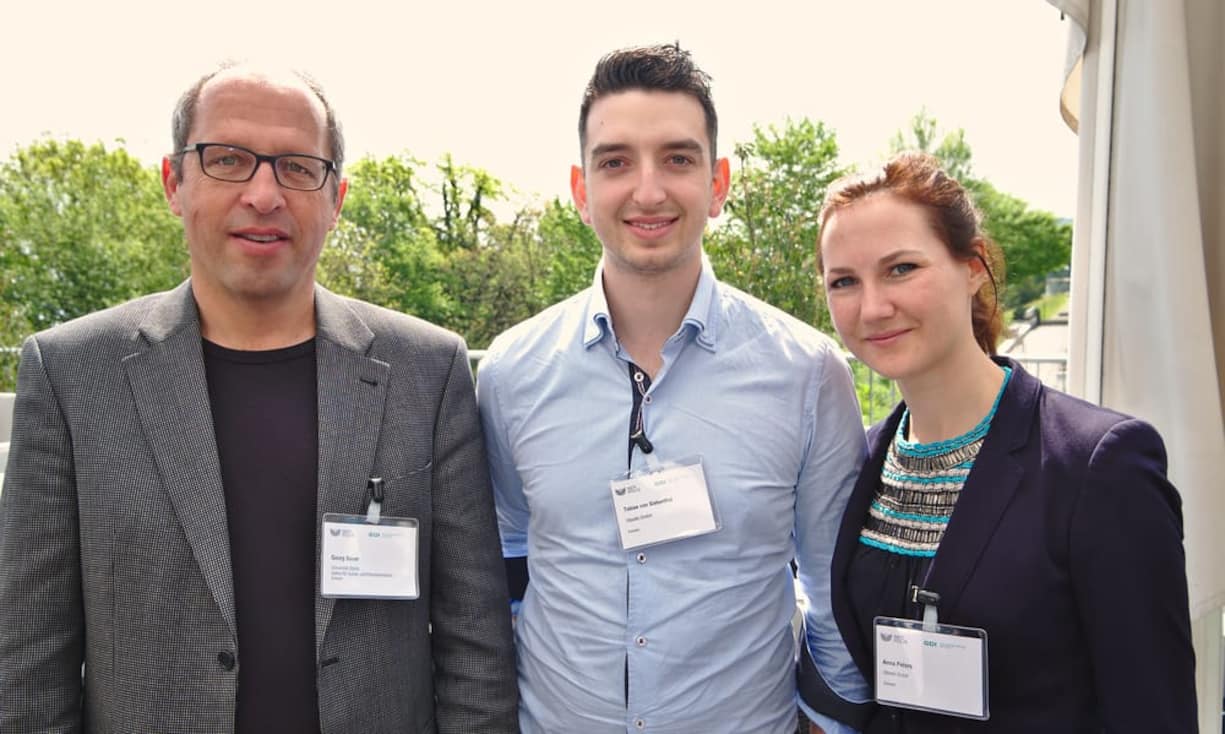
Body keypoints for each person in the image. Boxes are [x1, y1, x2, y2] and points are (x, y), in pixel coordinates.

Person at [0, 63, 518, 733]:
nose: (264, 193)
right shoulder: (73, 375)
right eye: (228, 160)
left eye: (298, 168)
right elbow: (28, 659)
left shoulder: (427, 371)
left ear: (336, 199)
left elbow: (474, 642)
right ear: (173, 183)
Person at [477, 43, 869, 733]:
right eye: (616, 161)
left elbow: (832, 587)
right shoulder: (511, 372)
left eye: (678, 159)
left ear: (718, 184)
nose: (648, 190)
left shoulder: (808, 375)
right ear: (581, 189)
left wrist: (833, 721)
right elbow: (509, 550)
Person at [803, 152, 1197, 732]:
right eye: (844, 281)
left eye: (901, 269)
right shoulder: (859, 461)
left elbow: (1152, 709)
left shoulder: (1098, 466)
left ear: (973, 267)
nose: (873, 307)